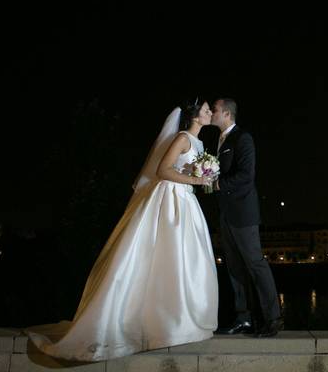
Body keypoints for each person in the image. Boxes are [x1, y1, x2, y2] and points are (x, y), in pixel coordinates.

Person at [27, 99, 218, 361]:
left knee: (184, 259)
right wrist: (197, 178)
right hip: (170, 199)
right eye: (206, 109)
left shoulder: (199, 143)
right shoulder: (182, 138)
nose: (210, 113)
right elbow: (162, 170)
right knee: (163, 253)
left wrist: (203, 179)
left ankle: (177, 318)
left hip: (186, 199)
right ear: (194, 116)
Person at [210, 98, 282, 337]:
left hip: (244, 213)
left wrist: (218, 183)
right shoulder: (219, 140)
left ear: (227, 114)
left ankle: (273, 319)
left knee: (255, 264)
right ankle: (243, 319)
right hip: (226, 215)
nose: (212, 112)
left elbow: (246, 175)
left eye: (215, 110)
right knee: (234, 267)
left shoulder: (243, 138)